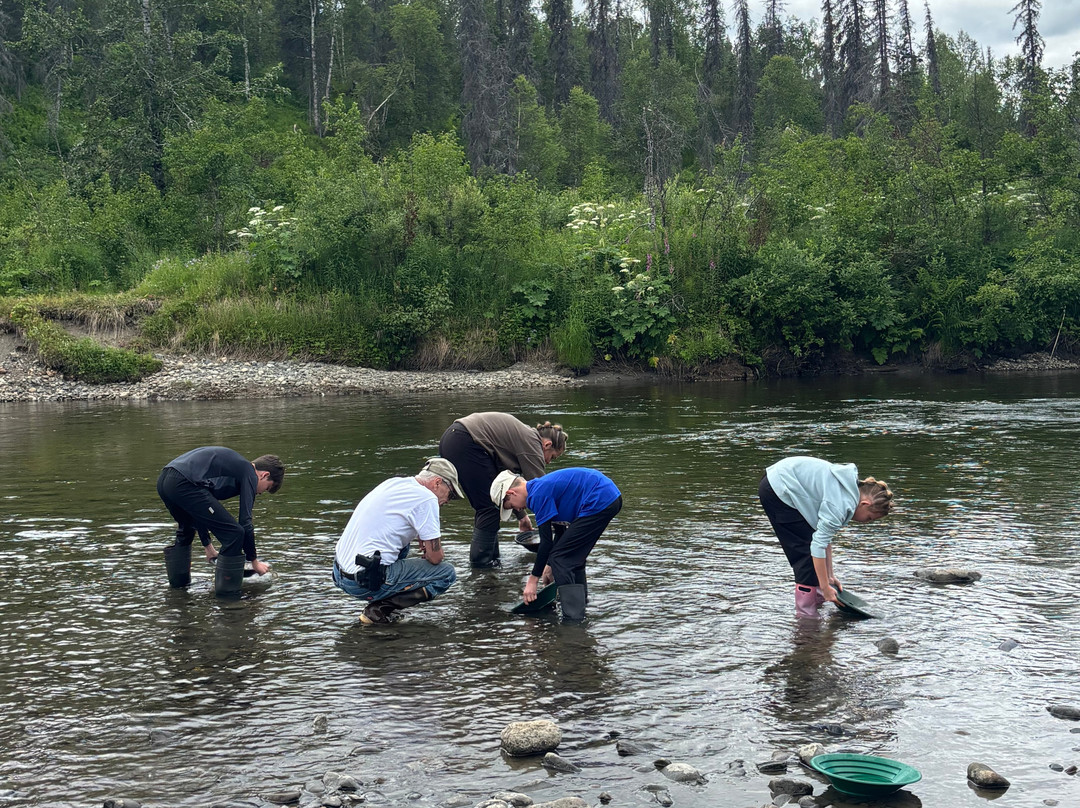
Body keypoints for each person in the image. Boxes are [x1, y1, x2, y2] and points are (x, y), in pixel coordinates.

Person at [758, 455, 893, 618]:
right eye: (869, 518)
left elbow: (824, 538)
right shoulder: (840, 505)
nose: (866, 523)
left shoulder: (847, 489)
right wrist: (824, 583)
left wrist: (829, 577)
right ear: (865, 504)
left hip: (783, 480)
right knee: (806, 556)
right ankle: (806, 616)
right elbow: (817, 546)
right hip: (778, 488)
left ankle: (820, 595)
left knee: (812, 550)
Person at [332, 457, 462, 625]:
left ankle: (380, 600)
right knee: (446, 574)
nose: (448, 501)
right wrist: (434, 549)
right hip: (363, 581)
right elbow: (435, 558)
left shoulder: (394, 483)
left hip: (339, 573)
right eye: (450, 494)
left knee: (403, 545)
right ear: (437, 483)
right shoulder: (428, 498)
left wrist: (420, 535)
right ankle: (379, 610)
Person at [490, 467, 622, 622]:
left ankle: (573, 620)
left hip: (599, 499)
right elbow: (560, 531)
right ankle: (581, 606)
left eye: (512, 506)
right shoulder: (539, 489)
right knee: (571, 559)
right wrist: (548, 564)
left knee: (561, 560)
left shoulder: (537, 494)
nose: (518, 509)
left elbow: (546, 543)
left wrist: (533, 580)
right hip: (609, 497)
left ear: (511, 493)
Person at [438, 412, 567, 568]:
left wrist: (522, 517)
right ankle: (482, 567)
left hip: (455, 439)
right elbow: (542, 492)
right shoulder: (532, 444)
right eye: (552, 457)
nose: (548, 462)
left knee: (491, 505)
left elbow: (507, 486)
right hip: (465, 441)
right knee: (489, 507)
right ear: (547, 445)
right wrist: (563, 532)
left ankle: (493, 561)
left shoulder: (522, 439)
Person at [157, 447, 285, 596]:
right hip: (183, 482)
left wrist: (208, 547)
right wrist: (254, 562)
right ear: (264, 475)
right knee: (235, 533)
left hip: (165, 481)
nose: (260, 493)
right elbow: (245, 523)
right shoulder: (248, 472)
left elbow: (198, 511)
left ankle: (178, 591)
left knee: (187, 529)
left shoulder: (231, 472)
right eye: (266, 488)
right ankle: (227, 597)